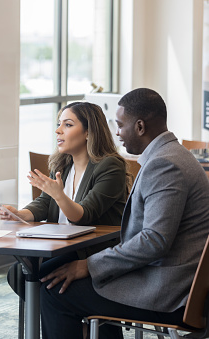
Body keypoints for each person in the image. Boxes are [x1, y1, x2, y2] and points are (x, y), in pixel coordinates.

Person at [39, 88, 209, 339]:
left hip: (169, 294)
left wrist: (89, 265)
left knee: (54, 291)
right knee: (60, 278)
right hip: (180, 284)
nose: (117, 133)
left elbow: (154, 241)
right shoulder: (172, 156)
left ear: (140, 126)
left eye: (120, 125)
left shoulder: (164, 164)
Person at [0, 102, 129, 300]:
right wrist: (18, 214)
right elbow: (44, 203)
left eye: (67, 125)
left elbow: (84, 216)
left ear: (88, 132)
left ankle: (73, 324)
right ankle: (67, 324)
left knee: (37, 280)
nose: (58, 130)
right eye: (59, 124)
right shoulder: (63, 163)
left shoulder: (110, 166)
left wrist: (59, 194)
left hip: (91, 252)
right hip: (60, 247)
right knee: (18, 274)